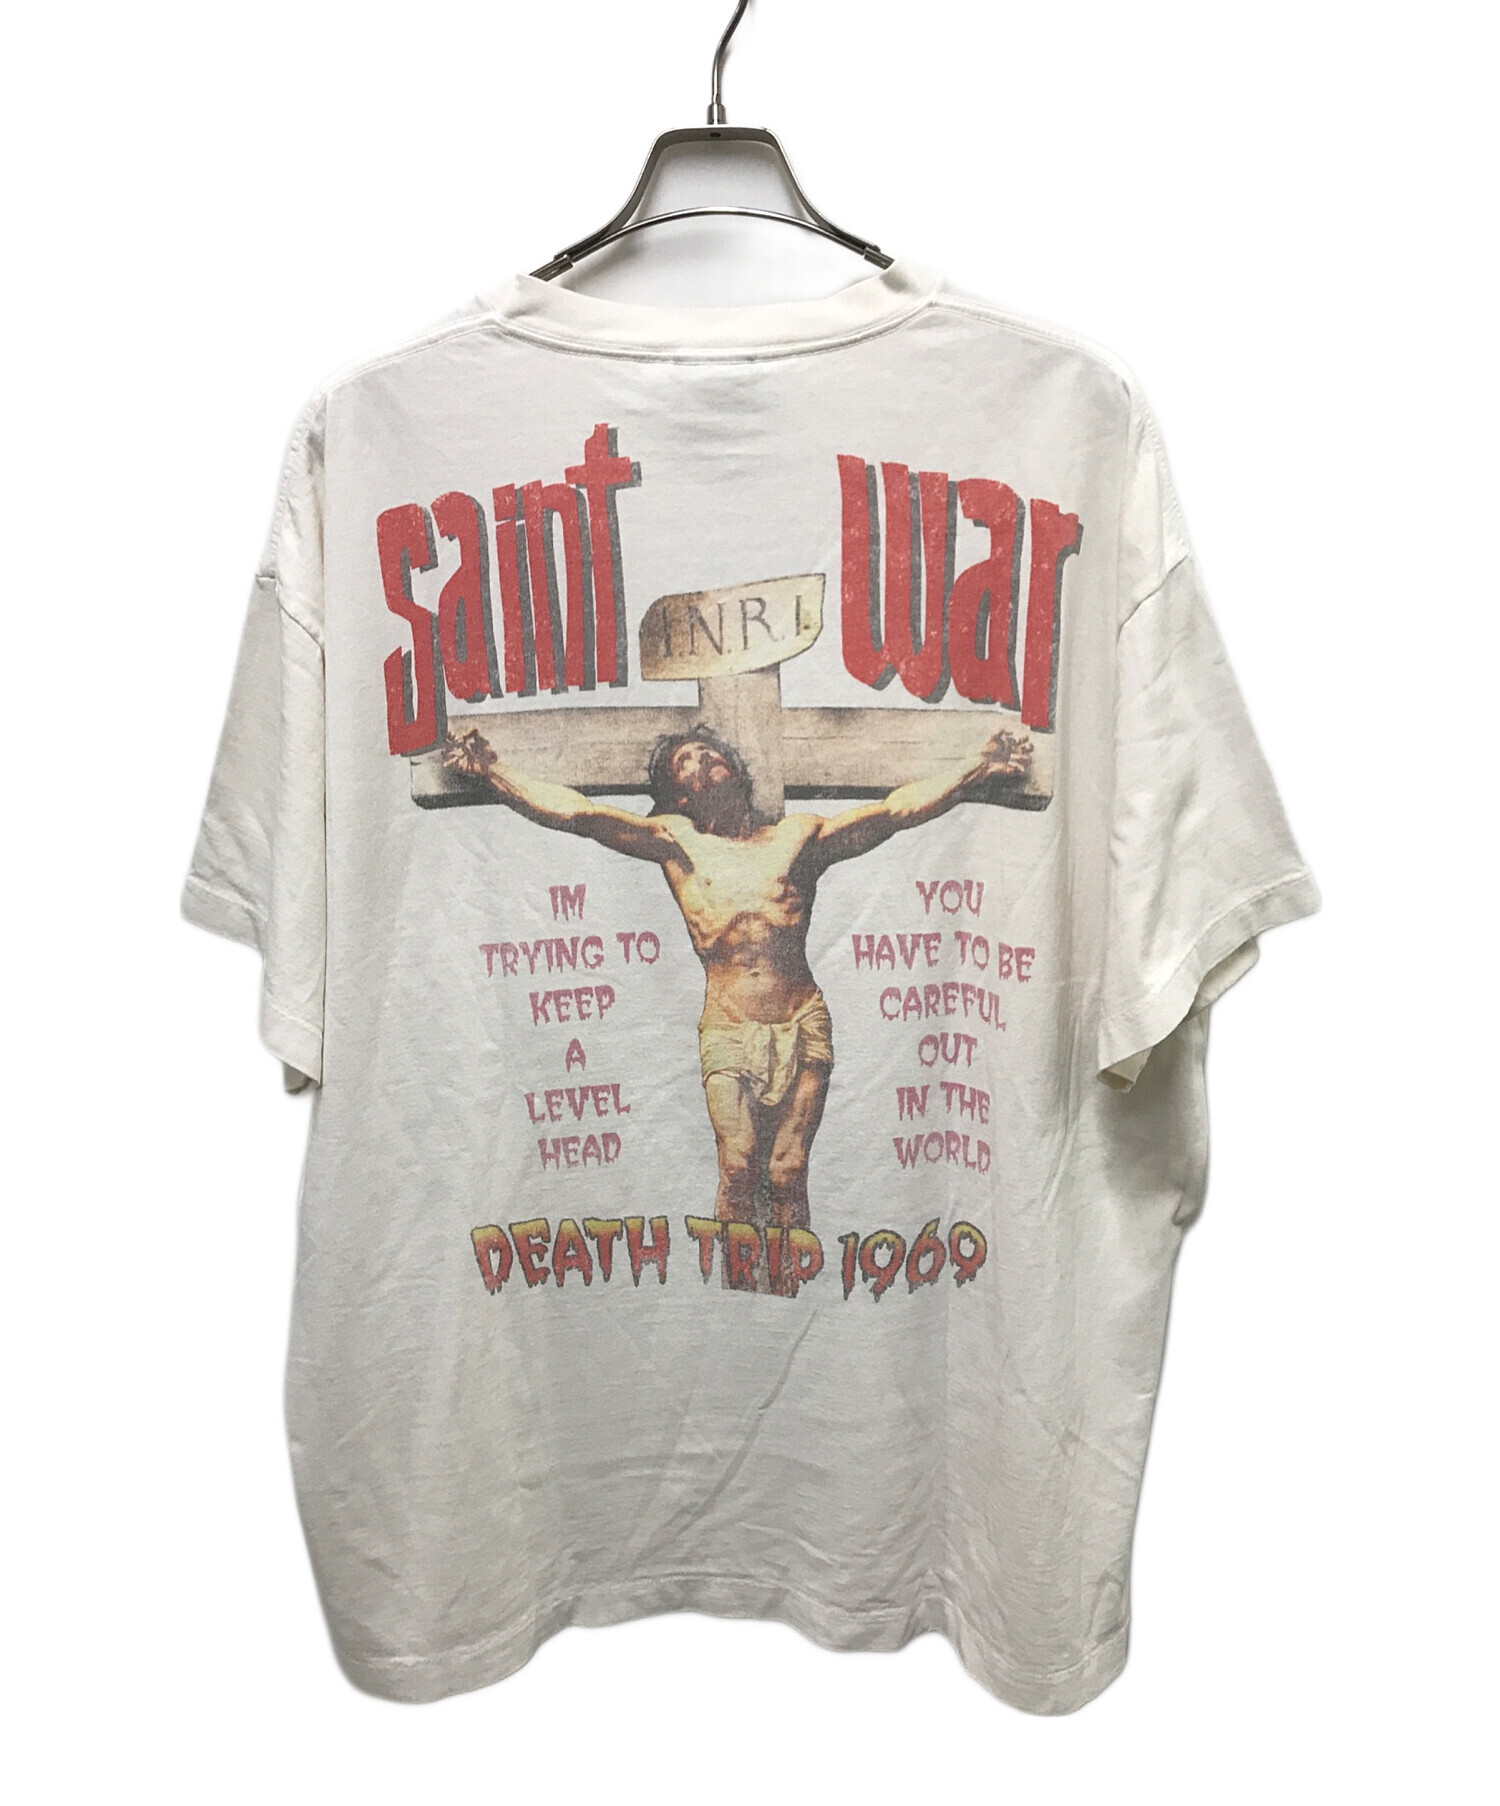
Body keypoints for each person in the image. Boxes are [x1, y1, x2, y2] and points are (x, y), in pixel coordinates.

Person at [442, 720, 1032, 1278]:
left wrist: (978, 766)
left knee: (789, 1171)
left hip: (802, 1017)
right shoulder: (676, 842)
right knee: (738, 1164)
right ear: (678, 795)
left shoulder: (797, 837)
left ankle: (789, 1289)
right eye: (687, 760)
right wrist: (492, 772)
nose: (704, 759)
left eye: (710, 752)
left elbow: (892, 813)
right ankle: (737, 1294)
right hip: (728, 1022)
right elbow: (580, 814)